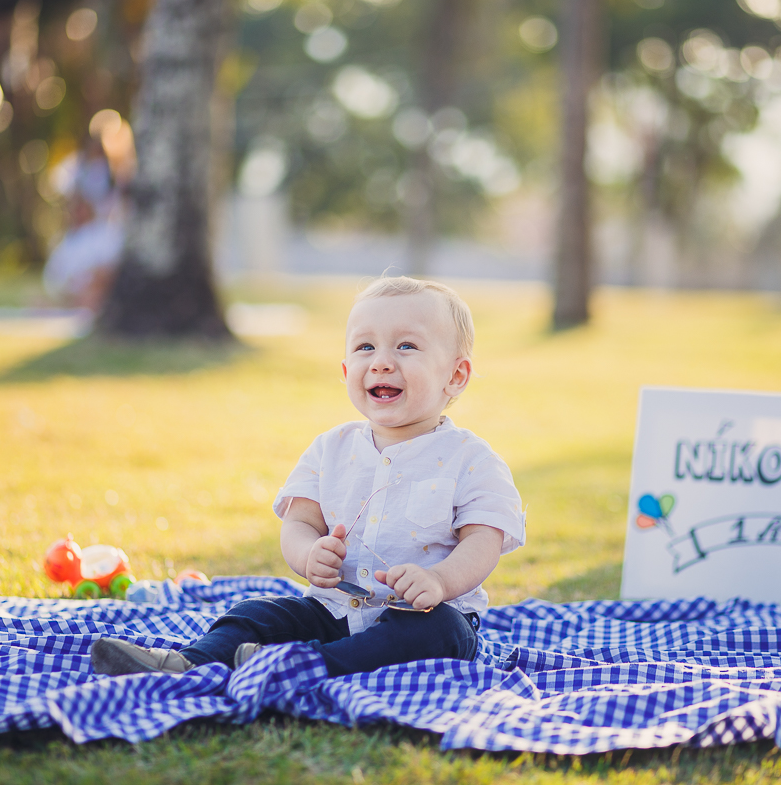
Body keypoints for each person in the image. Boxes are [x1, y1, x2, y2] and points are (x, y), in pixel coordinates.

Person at [91, 277, 526, 677]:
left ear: (455, 375)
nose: (381, 363)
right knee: (258, 612)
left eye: (406, 346)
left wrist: (439, 580)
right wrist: (308, 555)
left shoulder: (471, 459)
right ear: (346, 371)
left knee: (441, 633)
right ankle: (191, 662)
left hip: (422, 615)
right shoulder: (330, 449)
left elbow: (483, 540)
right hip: (333, 610)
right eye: (365, 347)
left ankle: (307, 666)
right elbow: (299, 522)